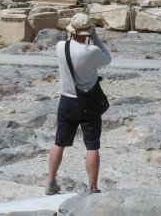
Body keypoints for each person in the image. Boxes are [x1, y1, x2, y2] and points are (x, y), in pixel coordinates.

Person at [47, 13, 113, 196]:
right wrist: (96, 37)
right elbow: (107, 58)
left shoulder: (61, 47)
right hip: (88, 102)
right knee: (92, 146)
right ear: (88, 32)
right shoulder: (91, 52)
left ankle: (51, 182)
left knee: (58, 143)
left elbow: (69, 43)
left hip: (66, 100)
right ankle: (92, 187)